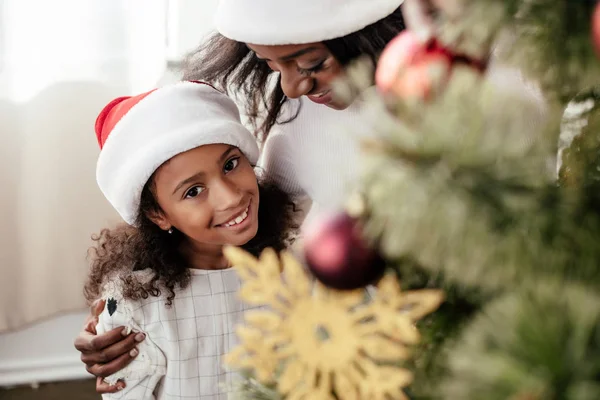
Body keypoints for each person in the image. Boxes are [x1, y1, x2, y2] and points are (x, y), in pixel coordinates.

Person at [75, 2, 407, 393]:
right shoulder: (297, 128)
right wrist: (111, 323)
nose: (290, 88)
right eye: (270, 65)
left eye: (311, 63)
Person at [84, 81, 296, 398]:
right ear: (158, 215)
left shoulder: (291, 269)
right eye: (193, 191)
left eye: (230, 164)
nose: (230, 198)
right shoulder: (134, 302)